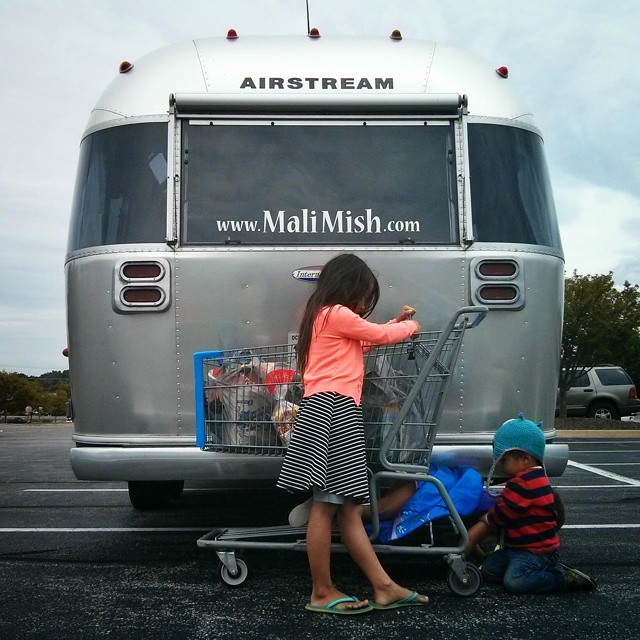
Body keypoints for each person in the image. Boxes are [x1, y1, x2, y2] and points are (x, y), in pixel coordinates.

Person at [277, 253, 429, 615]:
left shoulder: (324, 318)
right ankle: (322, 591)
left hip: (333, 410)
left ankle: (384, 586)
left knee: (346, 506)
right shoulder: (336, 313)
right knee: (328, 504)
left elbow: (364, 342)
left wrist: (395, 322)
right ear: (346, 288)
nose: (363, 305)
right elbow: (376, 334)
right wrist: (410, 327)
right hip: (331, 410)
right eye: (362, 295)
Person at [464, 413, 597, 594]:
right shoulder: (531, 478)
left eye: (504, 460)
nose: (501, 464)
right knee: (489, 570)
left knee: (515, 582)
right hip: (516, 548)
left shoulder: (524, 484)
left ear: (525, 459)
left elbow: (504, 513)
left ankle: (561, 578)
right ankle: (537, 572)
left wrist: (487, 518)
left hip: (535, 552)